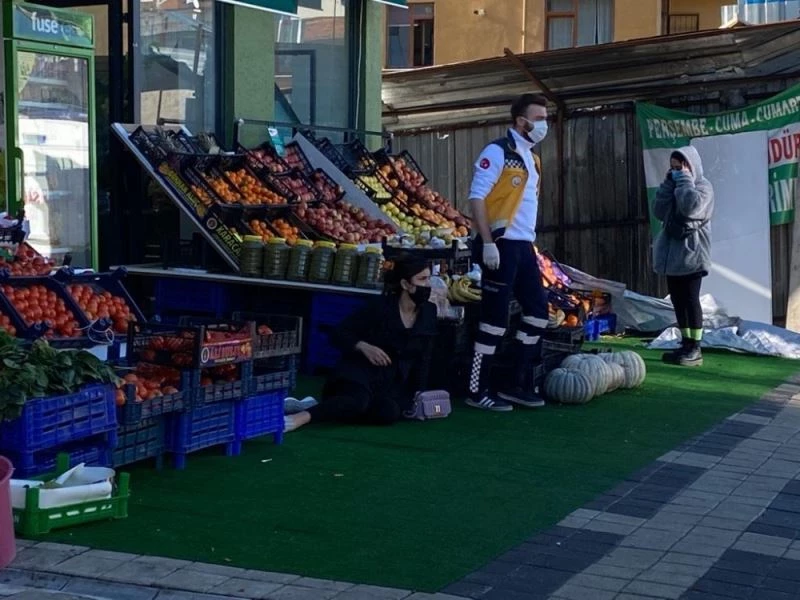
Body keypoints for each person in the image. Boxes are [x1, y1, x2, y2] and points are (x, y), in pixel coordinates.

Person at [283, 254, 437, 432]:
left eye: (429, 279)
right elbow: (339, 334)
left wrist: (420, 392)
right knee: (356, 401)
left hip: (388, 382)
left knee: (389, 412)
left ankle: (324, 408)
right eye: (423, 279)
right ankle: (300, 418)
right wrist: (364, 346)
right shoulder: (379, 307)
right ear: (405, 284)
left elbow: (425, 356)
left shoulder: (429, 312)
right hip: (357, 373)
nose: (428, 285)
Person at [466, 93, 551, 412]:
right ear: (521, 121)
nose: (544, 124)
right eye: (539, 118)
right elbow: (477, 198)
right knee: (493, 321)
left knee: (538, 314)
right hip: (500, 245)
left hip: (524, 246)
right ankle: (477, 389)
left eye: (545, 118)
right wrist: (487, 242)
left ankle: (514, 382)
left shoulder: (534, 159)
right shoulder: (497, 151)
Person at [652, 146, 714, 367]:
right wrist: (668, 185)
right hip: (672, 256)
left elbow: (691, 208)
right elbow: (659, 211)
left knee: (690, 299)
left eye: (681, 167)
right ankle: (685, 343)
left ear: (692, 165)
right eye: (673, 168)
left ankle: (696, 348)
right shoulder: (674, 185)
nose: (677, 172)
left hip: (692, 255)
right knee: (677, 301)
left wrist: (685, 181)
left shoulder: (704, 188)